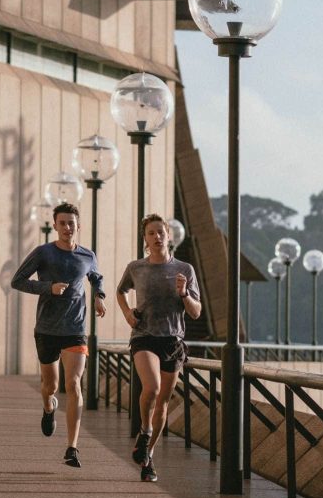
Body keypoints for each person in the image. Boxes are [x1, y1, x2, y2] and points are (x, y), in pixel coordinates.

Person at [11, 202, 106, 468]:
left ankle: (72, 448)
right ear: (55, 225)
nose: (67, 228)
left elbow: (96, 277)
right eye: (62, 223)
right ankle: (48, 407)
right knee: (50, 386)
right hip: (47, 329)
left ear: (79, 226)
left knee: (74, 384)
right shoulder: (44, 253)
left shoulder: (87, 255)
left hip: (75, 330)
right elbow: (17, 280)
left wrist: (99, 296)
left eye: (71, 223)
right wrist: (48, 288)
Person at [116, 214, 202, 482]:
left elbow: (196, 313)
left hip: (172, 341)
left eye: (160, 232)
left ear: (169, 235)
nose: (156, 237)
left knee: (163, 403)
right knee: (150, 388)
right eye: (151, 233)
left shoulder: (184, 270)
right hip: (144, 336)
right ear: (145, 238)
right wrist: (128, 314)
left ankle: (148, 456)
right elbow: (121, 292)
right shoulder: (136, 268)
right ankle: (144, 430)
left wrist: (185, 294)